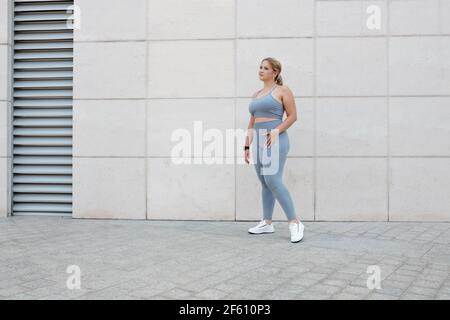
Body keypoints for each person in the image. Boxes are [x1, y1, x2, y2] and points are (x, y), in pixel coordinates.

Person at [244, 57, 304, 243]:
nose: (261, 70)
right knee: (264, 181)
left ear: (275, 72)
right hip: (259, 141)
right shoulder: (256, 94)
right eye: (260, 67)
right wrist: (247, 145)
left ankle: (295, 222)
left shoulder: (282, 91)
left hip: (276, 139)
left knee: (273, 180)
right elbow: (252, 122)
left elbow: (293, 116)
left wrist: (276, 131)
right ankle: (267, 222)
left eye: (266, 68)